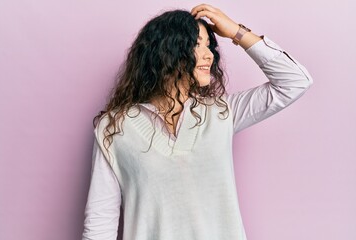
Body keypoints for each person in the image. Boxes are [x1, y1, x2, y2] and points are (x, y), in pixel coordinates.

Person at [82, 4, 313, 240]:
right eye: (196, 44)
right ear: (166, 51)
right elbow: (100, 224)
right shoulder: (114, 128)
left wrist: (236, 32)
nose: (209, 54)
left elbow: (294, 82)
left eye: (209, 46)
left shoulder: (221, 113)